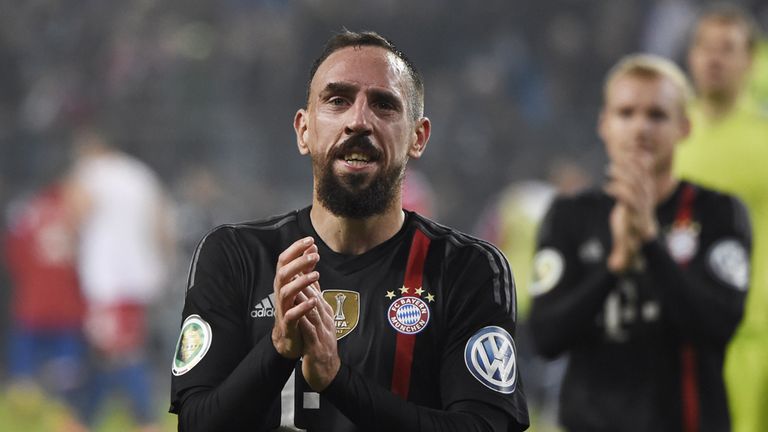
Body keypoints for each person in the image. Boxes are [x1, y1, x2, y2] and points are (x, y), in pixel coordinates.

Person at [169, 30, 529, 432]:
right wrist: (277, 349)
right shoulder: (235, 255)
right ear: (304, 130)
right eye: (337, 100)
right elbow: (196, 426)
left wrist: (338, 381)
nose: (359, 120)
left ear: (418, 137)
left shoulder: (466, 269)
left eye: (384, 104)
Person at [528, 54, 750, 432]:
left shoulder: (718, 213)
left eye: (657, 115)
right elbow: (546, 337)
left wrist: (649, 239)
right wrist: (614, 264)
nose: (640, 128)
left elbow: (717, 327)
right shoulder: (571, 215)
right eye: (626, 113)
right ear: (604, 124)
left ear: (684, 126)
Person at [673, 5, 768, 431]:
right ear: (690, 57)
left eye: (727, 49)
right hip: (677, 332)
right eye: (705, 48)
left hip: (752, 333)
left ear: (750, 60)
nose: (714, 59)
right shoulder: (667, 135)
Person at [65, 126, 173, 431]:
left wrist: (73, 246)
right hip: (141, 277)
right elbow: (162, 225)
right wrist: (161, 266)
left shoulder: (91, 171)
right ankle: (83, 418)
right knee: (107, 351)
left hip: (109, 278)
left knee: (121, 352)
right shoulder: (141, 175)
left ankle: (146, 420)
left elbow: (76, 211)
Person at [3, 181, 88, 431]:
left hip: (32, 303)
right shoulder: (75, 215)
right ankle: (64, 419)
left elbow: (13, 256)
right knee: (67, 372)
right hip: (66, 306)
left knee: (24, 374)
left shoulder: (27, 213)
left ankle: (29, 415)